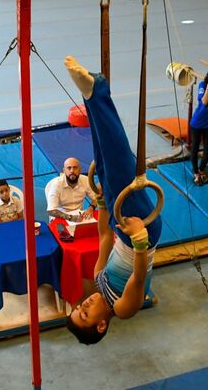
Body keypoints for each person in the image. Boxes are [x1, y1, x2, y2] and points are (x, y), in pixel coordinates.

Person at [63, 56, 163, 344]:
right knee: (119, 165)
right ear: (101, 326)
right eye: (85, 314)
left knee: (104, 163)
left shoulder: (98, 278)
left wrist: (103, 203)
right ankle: (97, 91)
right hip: (142, 233)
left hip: (121, 227)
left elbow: (105, 235)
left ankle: (90, 97)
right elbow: (139, 278)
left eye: (78, 308)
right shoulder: (122, 308)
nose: (83, 305)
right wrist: (140, 239)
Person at [45, 157, 97, 222]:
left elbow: (96, 198)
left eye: (75, 168)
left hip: (80, 216)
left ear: (80, 170)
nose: (72, 171)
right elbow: (51, 210)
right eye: (69, 168)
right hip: (61, 217)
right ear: (64, 170)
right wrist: (70, 218)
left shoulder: (86, 180)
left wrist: (91, 208)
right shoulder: (56, 185)